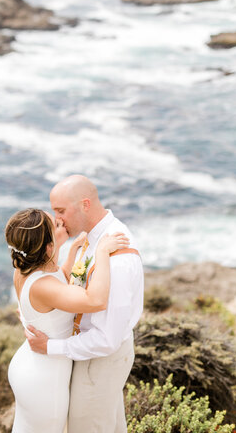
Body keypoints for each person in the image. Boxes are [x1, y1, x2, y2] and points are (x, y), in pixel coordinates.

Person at [25, 175, 144, 433]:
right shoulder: (89, 240)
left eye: (61, 211)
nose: (57, 220)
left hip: (98, 362)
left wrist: (50, 347)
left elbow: (106, 339)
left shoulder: (116, 257)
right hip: (87, 356)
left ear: (85, 204)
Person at [5, 207, 130, 433]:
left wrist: (70, 247)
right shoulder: (44, 287)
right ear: (48, 247)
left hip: (30, 363)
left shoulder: (23, 267)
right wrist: (101, 252)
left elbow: (57, 278)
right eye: (55, 226)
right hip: (45, 378)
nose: (61, 224)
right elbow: (95, 300)